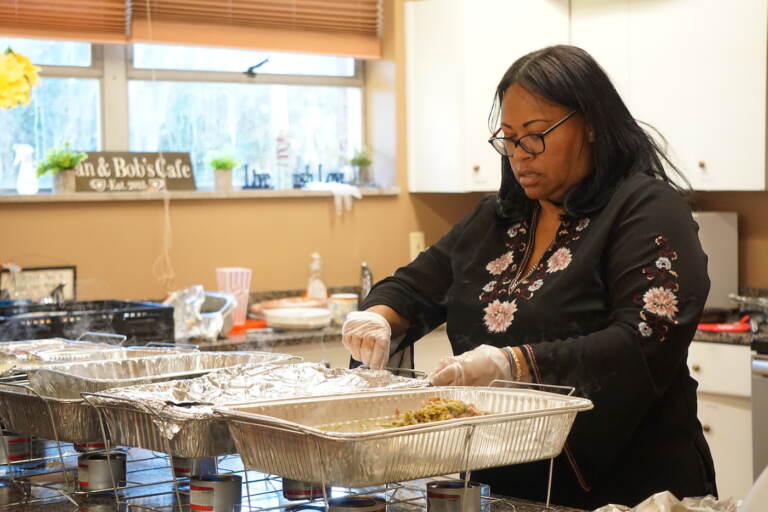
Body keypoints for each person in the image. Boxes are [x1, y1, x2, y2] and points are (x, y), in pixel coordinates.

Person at [340, 45, 716, 509]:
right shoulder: (497, 219)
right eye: (509, 138)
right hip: (503, 482)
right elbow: (415, 285)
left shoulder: (647, 208)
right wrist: (377, 319)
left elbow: (645, 336)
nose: (519, 155)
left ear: (593, 125)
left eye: (535, 136)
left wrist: (514, 363)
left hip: (628, 485)